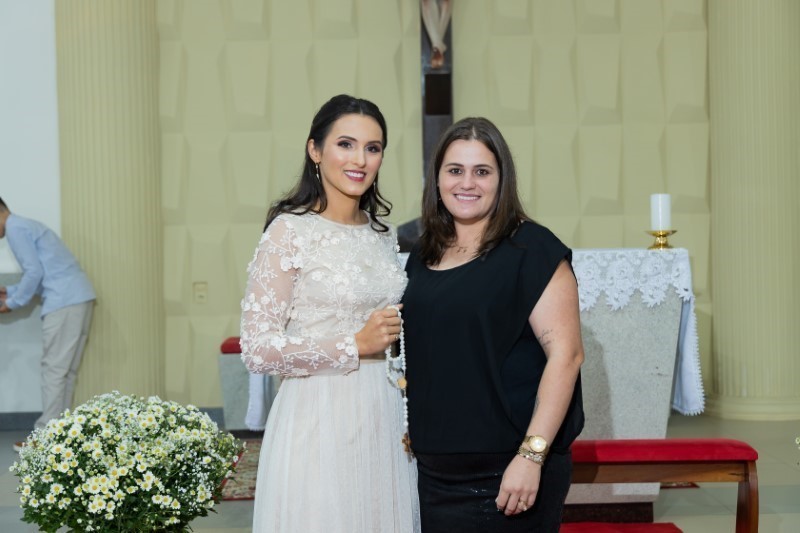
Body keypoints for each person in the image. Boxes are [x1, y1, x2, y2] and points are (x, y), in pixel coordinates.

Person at [239, 94, 420, 533]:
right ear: (315, 150)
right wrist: (353, 345)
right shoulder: (289, 231)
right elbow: (258, 350)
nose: (360, 159)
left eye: (373, 148)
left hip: (383, 412)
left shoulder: (381, 234)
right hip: (318, 414)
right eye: (345, 144)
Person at [402, 117, 585, 532]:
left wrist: (531, 456)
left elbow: (567, 355)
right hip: (433, 473)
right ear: (437, 179)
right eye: (455, 170)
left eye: (482, 171)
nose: (467, 183)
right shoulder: (425, 253)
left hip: (508, 471)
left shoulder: (532, 248)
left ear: (502, 179)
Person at [0, 197, 95, 452]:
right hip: (79, 297)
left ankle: (45, 438)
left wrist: (13, 303)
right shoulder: (27, 225)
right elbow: (46, 271)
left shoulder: (15, 228)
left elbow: (35, 273)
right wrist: (11, 291)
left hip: (64, 301)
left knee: (54, 370)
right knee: (65, 372)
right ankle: (61, 434)